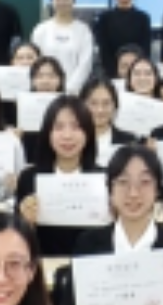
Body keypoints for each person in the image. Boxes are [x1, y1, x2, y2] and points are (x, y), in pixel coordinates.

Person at [53, 144, 163, 305]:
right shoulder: (88, 243)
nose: (133, 193)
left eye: (145, 182)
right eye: (123, 182)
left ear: (157, 190)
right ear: (110, 190)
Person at [15, 96, 102, 256]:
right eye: (59, 127)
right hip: (43, 263)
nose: (67, 135)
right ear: (48, 133)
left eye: (76, 127)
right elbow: (19, 240)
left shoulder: (104, 179)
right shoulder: (29, 178)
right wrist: (26, 222)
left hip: (91, 263)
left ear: (88, 133)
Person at [31, 0, 96, 94]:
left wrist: (70, 88)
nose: (62, 2)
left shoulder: (83, 30)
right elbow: (35, 62)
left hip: (74, 91)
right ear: (52, 1)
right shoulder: (41, 30)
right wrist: (46, 84)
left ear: (73, 1)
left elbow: (85, 64)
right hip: (45, 90)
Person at [95, 0, 153, 81]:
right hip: (111, 75)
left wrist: (136, 71)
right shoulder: (104, 18)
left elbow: (145, 50)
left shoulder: (143, 18)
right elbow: (104, 51)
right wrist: (116, 74)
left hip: (138, 74)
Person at [80, 78, 138, 160]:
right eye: (93, 103)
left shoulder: (129, 142)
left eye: (106, 103)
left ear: (115, 106)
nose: (100, 110)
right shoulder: (71, 141)